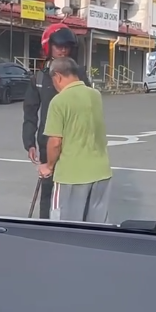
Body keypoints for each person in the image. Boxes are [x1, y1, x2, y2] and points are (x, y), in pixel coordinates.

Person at [22, 24, 90, 218]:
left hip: (75, 144)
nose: (63, 50)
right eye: (58, 46)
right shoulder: (39, 78)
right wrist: (29, 143)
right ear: (48, 47)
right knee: (48, 193)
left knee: (74, 193)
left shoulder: (80, 76)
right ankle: (46, 227)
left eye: (67, 46)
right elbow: (30, 112)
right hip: (48, 143)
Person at [38, 57, 112, 223]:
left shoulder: (59, 101)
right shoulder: (95, 95)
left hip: (71, 175)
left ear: (57, 76)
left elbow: (55, 142)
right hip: (101, 172)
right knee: (96, 227)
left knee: (65, 227)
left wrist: (48, 166)